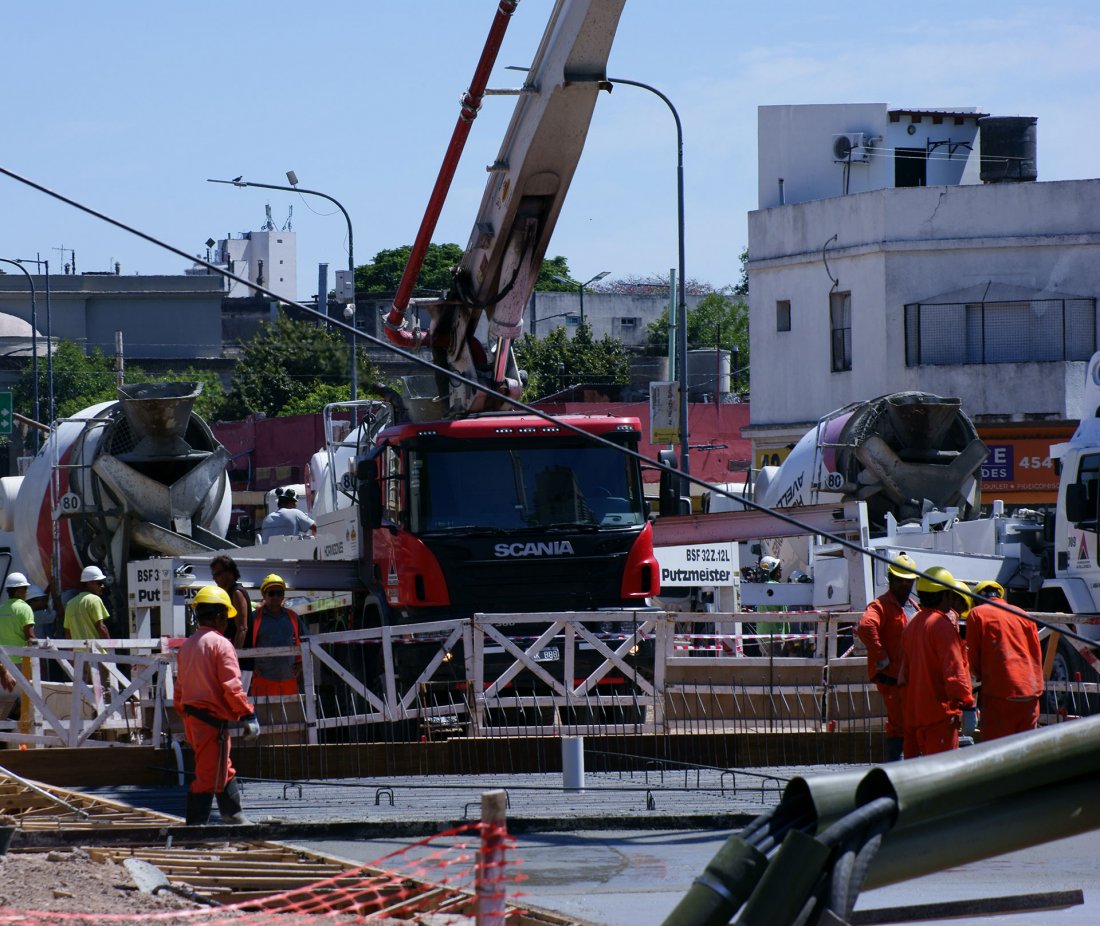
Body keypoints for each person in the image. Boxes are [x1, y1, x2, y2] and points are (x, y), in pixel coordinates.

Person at [173, 584, 260, 825]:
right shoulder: (221, 645)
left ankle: (233, 814)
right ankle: (196, 828)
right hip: (209, 721)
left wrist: (188, 719)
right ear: (220, 615)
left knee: (223, 766)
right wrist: (247, 715)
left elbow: (179, 690)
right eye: (226, 617)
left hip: (194, 720)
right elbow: (232, 686)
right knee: (208, 774)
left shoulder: (188, 646)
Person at [898, 566, 978, 757]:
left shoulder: (913, 624)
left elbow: (904, 675)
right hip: (939, 718)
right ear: (944, 596)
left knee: (917, 778)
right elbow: (954, 673)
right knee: (942, 777)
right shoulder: (941, 626)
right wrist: (968, 704)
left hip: (914, 717)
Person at [856, 553, 918, 762]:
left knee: (911, 721)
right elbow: (866, 626)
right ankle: (896, 766)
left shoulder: (912, 606)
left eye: (908, 581)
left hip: (909, 677)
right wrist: (881, 655)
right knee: (899, 724)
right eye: (899, 580)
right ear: (890, 580)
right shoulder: (880, 605)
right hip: (892, 677)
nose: (904, 585)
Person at [965, 579, 1043, 741]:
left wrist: (978, 678)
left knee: (998, 752)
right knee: (1026, 753)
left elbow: (973, 656)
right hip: (1030, 693)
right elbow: (1036, 653)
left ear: (976, 600)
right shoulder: (1022, 613)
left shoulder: (977, 613)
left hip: (1001, 694)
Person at [248, 573, 305, 697]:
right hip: (263, 681)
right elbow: (245, 645)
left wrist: (300, 663)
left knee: (291, 716)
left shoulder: (293, 617)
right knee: (264, 716)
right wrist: (251, 665)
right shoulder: (254, 618)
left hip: (289, 681)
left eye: (279, 593)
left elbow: (305, 640)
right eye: (271, 593)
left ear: (283, 595)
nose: (276, 597)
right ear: (264, 595)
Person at [210, 555, 251, 650]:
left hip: (241, 656)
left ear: (230, 572)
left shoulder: (236, 593)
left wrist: (234, 656)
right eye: (214, 575)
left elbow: (242, 628)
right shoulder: (227, 593)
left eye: (218, 574)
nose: (215, 578)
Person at [63, 566, 111, 641]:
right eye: (99, 583)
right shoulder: (94, 600)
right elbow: (101, 627)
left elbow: (67, 632)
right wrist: (111, 646)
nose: (102, 586)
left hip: (77, 652)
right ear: (89, 583)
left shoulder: (70, 604)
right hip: (95, 651)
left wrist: (71, 651)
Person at [754, 555, 789, 656]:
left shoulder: (761, 588)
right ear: (773, 571)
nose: (780, 571)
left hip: (762, 634)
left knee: (767, 664)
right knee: (774, 667)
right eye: (778, 569)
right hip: (774, 635)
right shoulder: (776, 588)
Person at [0, 573, 36, 649]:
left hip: (3, 658)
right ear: (16, 591)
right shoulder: (24, 608)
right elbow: (30, 637)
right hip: (21, 658)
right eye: (25, 588)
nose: (27, 591)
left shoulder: (1, 608)